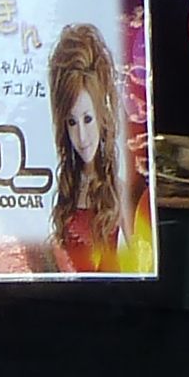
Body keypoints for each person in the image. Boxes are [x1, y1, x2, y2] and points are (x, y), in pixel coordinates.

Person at [48, 19, 139, 274]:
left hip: (110, 295)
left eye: (88, 119)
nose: (82, 135)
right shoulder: (67, 190)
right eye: (72, 122)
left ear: (101, 116)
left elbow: (141, 264)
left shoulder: (119, 190)